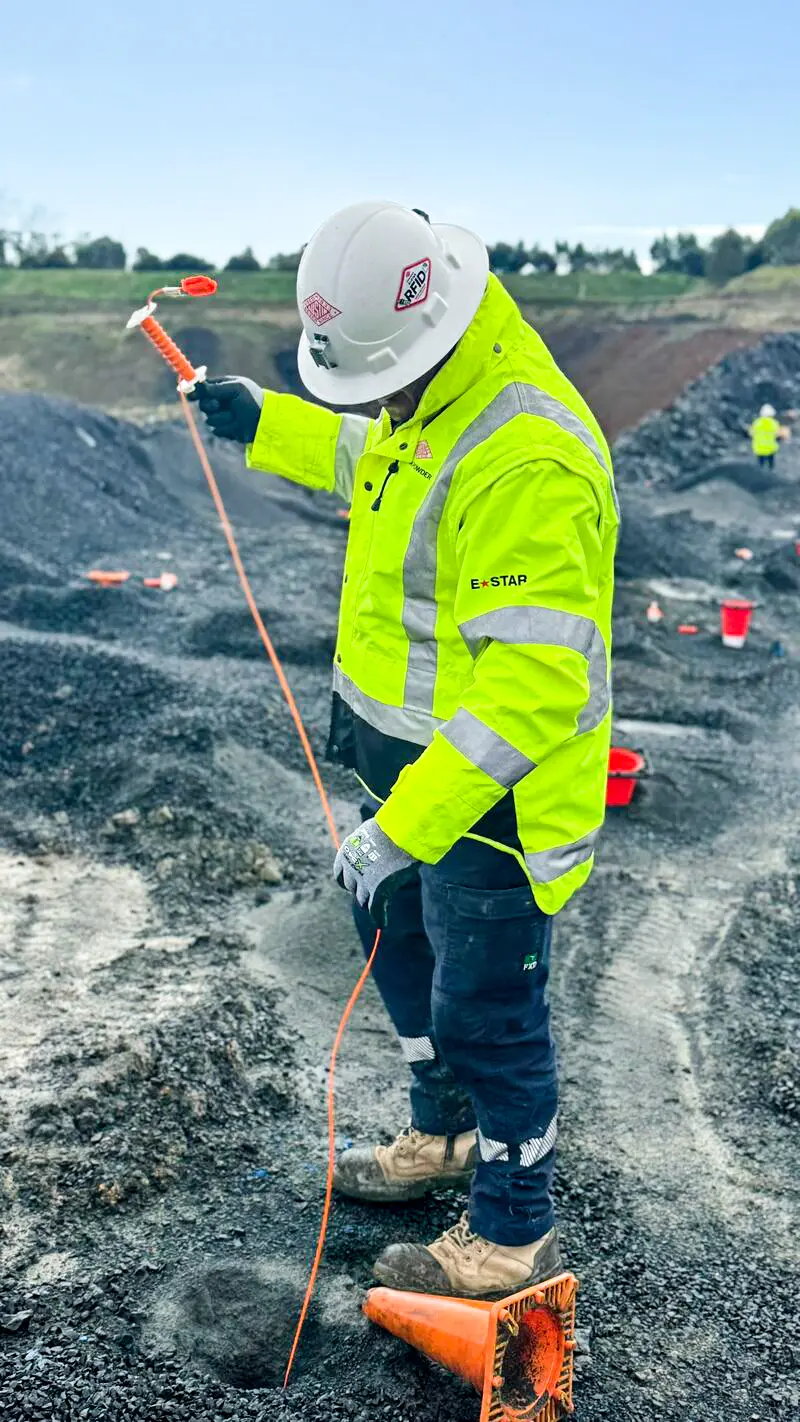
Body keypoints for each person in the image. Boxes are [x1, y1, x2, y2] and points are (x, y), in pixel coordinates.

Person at [191, 201, 618, 1298]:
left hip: (491, 801)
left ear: (419, 345)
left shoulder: (527, 457)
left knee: (487, 1008)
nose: (370, 406)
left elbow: (529, 691)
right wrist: (266, 421)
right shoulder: (430, 390)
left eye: (374, 382)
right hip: (413, 778)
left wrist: (408, 827)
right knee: (399, 950)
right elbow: (372, 455)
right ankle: (443, 1137)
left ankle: (510, 1233)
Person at [750, 403, 781, 469]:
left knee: (760, 466)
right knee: (770, 465)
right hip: (770, 448)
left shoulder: (757, 422)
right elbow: (778, 434)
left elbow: (751, 433)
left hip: (759, 448)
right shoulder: (774, 423)